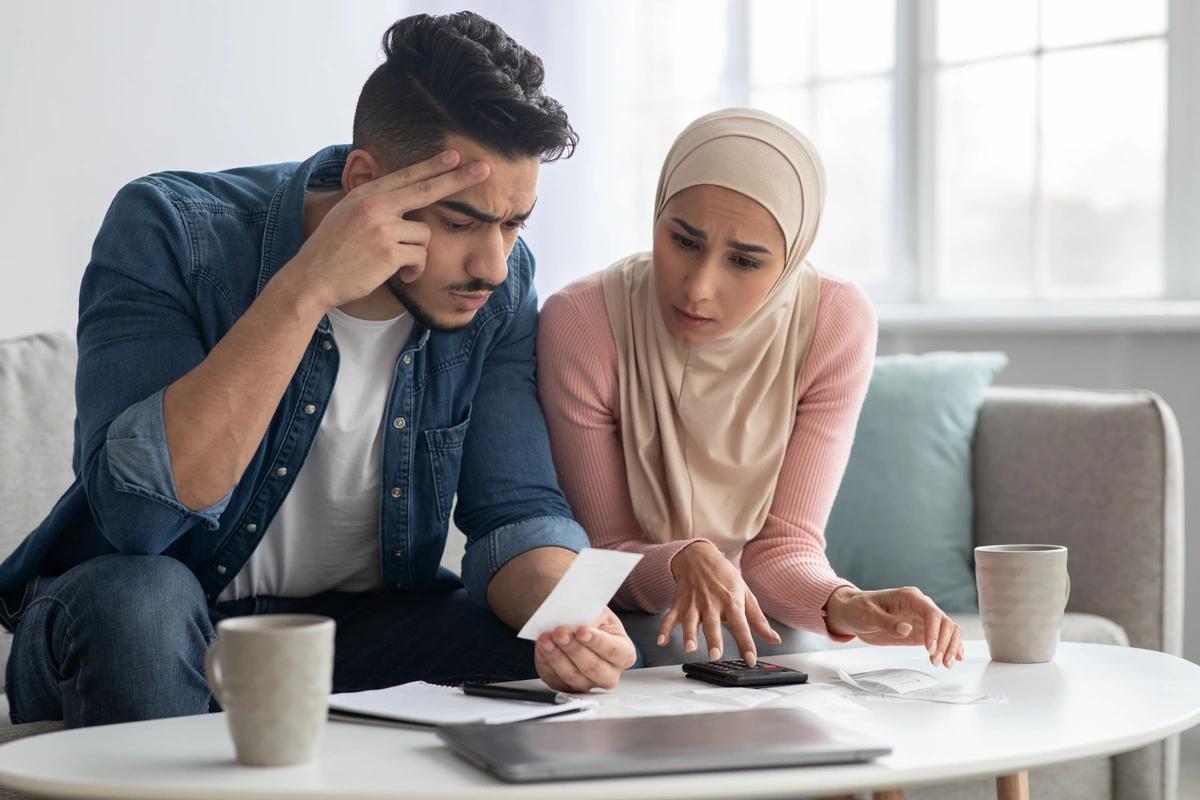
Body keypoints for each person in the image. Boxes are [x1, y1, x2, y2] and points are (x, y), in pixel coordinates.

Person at [0, 11, 635, 729]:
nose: (493, 263)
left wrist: (569, 622)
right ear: (365, 182)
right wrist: (306, 289)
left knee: (550, 650)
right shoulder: (174, 231)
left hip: (354, 633)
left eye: (514, 222)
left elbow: (516, 511)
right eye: (459, 222)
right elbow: (142, 520)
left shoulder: (499, 286)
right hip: (148, 618)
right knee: (140, 604)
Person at [538, 108, 963, 669]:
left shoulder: (833, 324)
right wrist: (683, 560)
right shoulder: (583, 321)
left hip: (760, 617)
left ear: (790, 263)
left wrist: (846, 604)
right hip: (613, 620)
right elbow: (601, 555)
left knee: (789, 654)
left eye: (744, 261)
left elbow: (784, 546)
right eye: (683, 241)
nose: (698, 288)